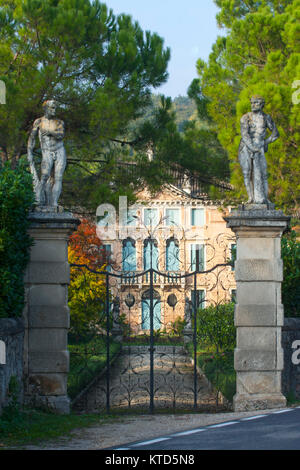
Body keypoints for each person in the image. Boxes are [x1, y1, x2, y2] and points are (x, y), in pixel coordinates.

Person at [238, 96, 279, 204]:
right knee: (247, 173)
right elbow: (245, 135)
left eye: (256, 103)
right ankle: (250, 198)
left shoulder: (266, 118)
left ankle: (265, 198)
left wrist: (264, 143)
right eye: (252, 103)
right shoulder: (245, 117)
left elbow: (275, 134)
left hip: (259, 147)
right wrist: (252, 147)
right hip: (246, 148)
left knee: (264, 173)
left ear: (261, 105)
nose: (253, 105)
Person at [27, 100, 66, 207]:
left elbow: (61, 135)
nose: (54, 110)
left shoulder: (59, 122)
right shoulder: (39, 122)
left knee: (58, 177)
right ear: (46, 108)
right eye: (52, 108)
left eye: (55, 108)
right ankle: (38, 200)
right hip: (47, 151)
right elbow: (32, 138)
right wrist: (29, 152)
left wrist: (50, 132)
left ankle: (54, 203)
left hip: (59, 150)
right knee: (44, 176)